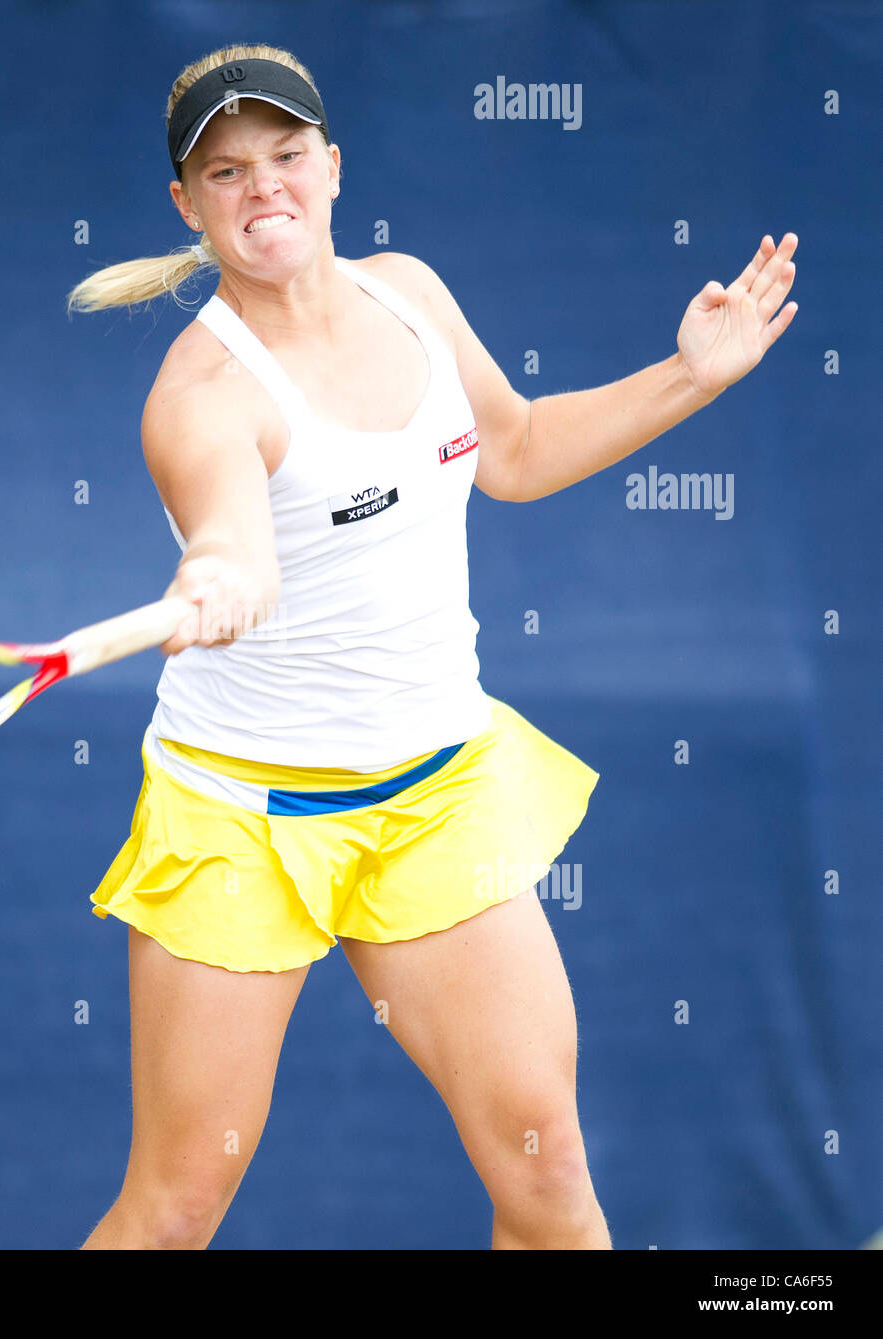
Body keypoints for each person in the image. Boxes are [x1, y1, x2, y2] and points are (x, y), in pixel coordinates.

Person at [65, 43, 797, 1251]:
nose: (265, 191)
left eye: (287, 156)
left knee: (548, 1177)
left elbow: (509, 450)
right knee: (176, 1208)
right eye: (227, 171)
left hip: (431, 792)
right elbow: (232, 543)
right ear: (186, 205)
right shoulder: (199, 395)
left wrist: (690, 375)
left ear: (333, 165)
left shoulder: (410, 290)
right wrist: (220, 579)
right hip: (245, 817)